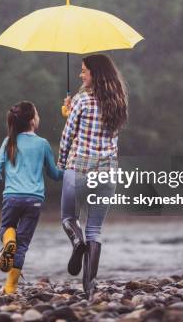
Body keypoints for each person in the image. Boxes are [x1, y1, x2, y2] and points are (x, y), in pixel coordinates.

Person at [58, 54, 128, 299]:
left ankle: (77, 243)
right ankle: (89, 286)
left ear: (95, 74)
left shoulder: (82, 100)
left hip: (78, 169)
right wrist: (72, 106)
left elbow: (68, 136)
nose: (81, 74)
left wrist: (60, 163)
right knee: (95, 229)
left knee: (68, 217)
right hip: (107, 174)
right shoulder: (118, 101)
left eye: (84, 70)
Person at [0, 101, 63, 294]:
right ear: (32, 121)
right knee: (22, 245)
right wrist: (69, 170)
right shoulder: (43, 144)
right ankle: (11, 287)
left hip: (12, 197)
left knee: (6, 231)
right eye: (37, 114)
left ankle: (8, 242)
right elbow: (55, 174)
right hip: (34, 200)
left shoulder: (9, 141)